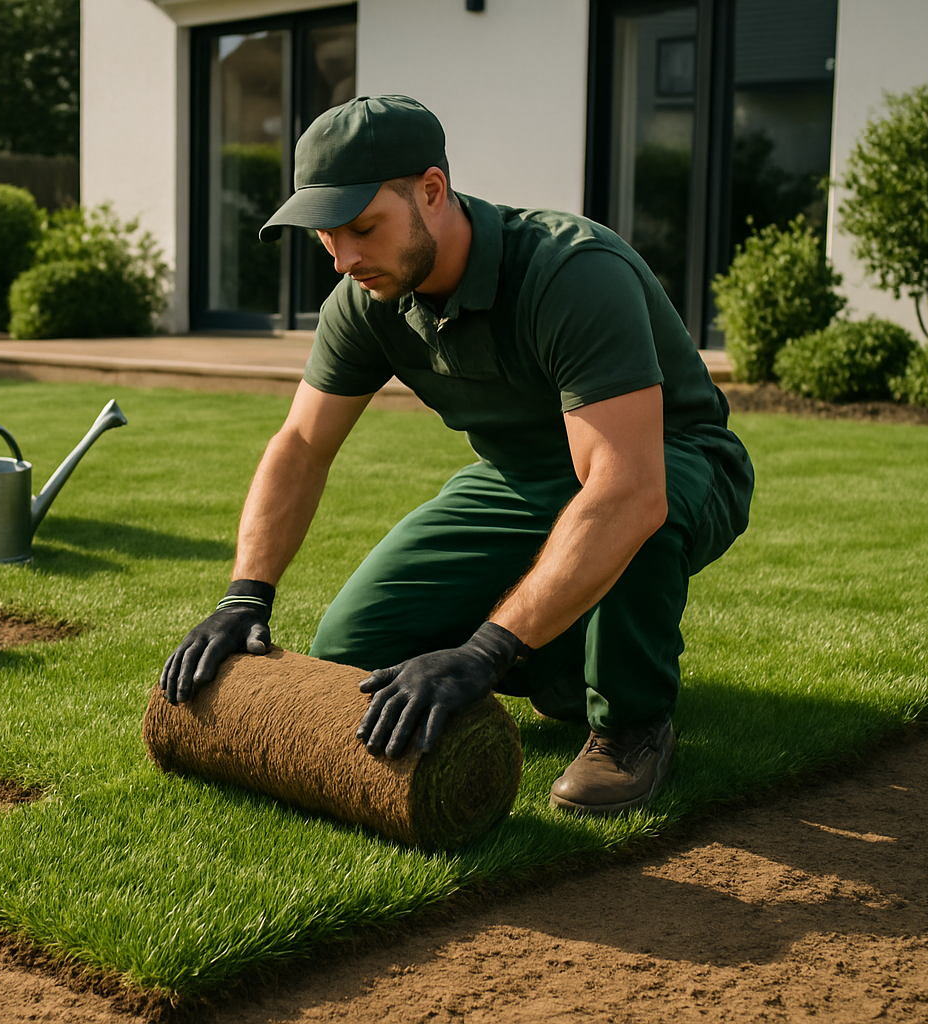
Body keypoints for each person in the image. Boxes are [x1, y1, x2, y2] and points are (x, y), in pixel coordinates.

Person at [159, 95, 753, 815]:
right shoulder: (366, 297)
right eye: (326, 235)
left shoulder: (570, 272)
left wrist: (486, 651)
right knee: (351, 646)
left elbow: (628, 488)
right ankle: (565, 660)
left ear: (432, 193)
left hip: (672, 459)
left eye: (363, 227)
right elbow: (303, 443)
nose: (343, 258)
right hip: (521, 477)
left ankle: (629, 725)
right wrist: (245, 594)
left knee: (639, 517)